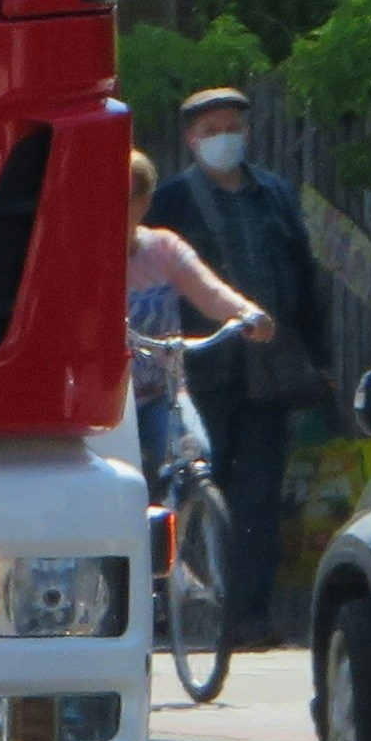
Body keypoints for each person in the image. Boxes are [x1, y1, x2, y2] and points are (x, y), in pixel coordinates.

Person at [144, 86, 330, 647]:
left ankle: (248, 617)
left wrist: (319, 357)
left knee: (258, 496)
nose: (225, 138)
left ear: (247, 132)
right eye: (211, 129)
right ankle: (175, 607)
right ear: (191, 140)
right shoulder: (172, 202)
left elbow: (304, 275)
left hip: (265, 371)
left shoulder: (273, 194)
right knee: (187, 488)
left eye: (233, 126)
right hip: (197, 372)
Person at [124, 146, 270, 494]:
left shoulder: (163, 249)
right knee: (123, 483)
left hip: (164, 391)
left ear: (144, 203)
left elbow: (210, 292)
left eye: (127, 197)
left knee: (194, 458)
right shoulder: (83, 255)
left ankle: (190, 537)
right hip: (112, 402)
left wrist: (248, 314)